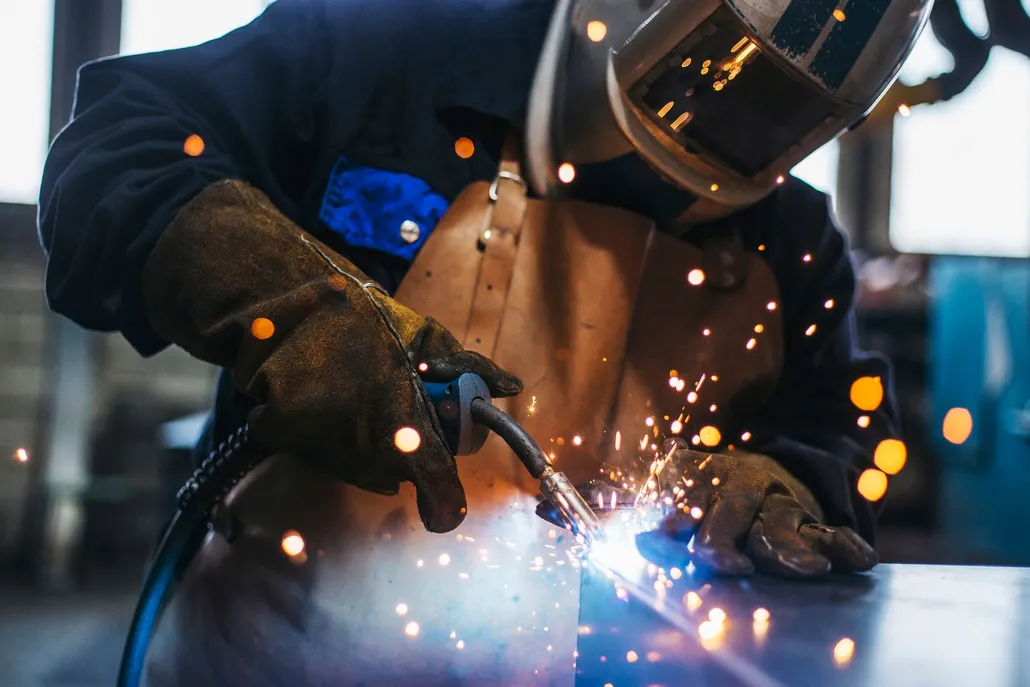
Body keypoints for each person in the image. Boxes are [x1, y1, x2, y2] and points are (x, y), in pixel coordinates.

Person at [38, 0, 930, 684]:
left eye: (782, 113)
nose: (725, 124)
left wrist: (784, 479)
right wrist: (295, 310)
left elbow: (841, 429)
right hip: (266, 654)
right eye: (708, 73)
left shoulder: (793, 242)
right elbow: (114, 149)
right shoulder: (386, 54)